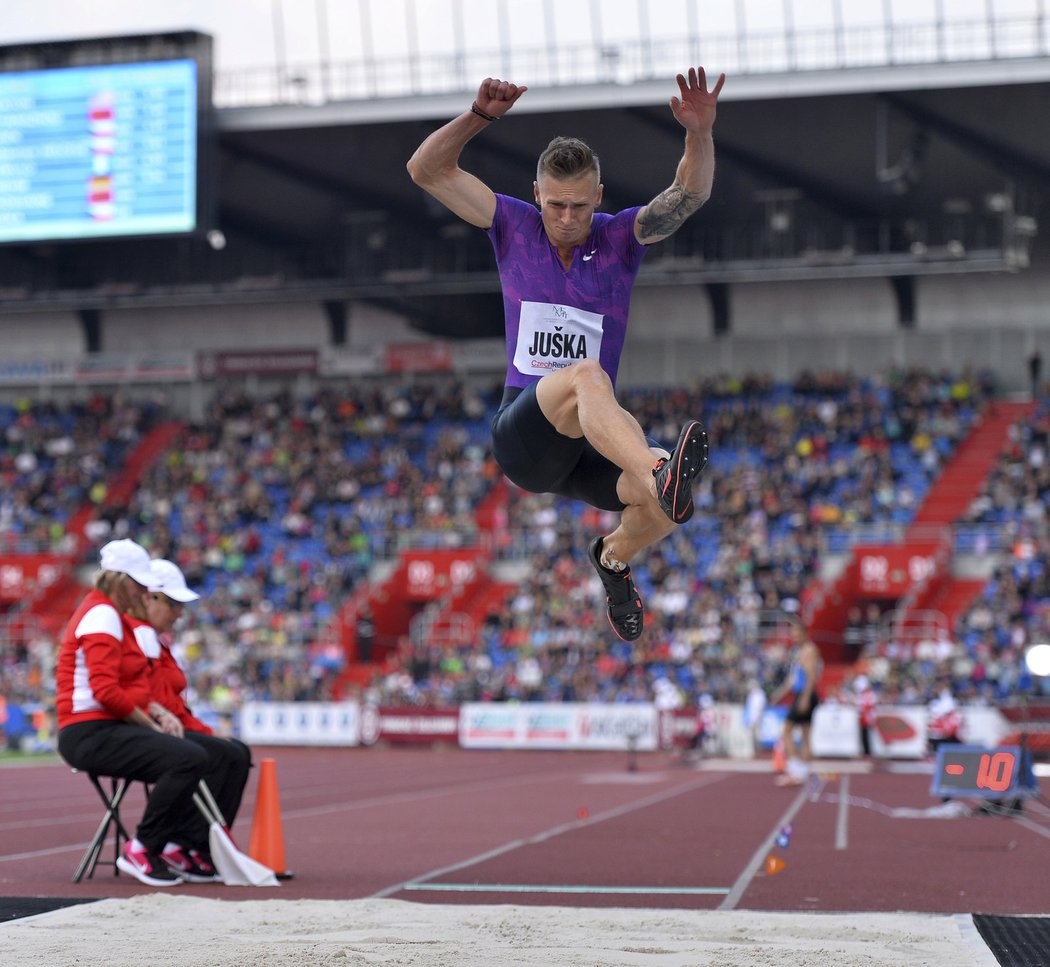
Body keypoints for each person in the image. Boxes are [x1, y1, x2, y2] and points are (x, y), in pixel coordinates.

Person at [407, 67, 725, 641]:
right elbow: (425, 170)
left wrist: (698, 135)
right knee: (587, 378)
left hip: (588, 442)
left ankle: (612, 559)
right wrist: (478, 118)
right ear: (537, 196)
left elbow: (691, 194)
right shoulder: (511, 223)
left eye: (580, 206)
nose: (567, 219)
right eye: (556, 205)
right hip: (524, 434)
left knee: (666, 508)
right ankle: (657, 469)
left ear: (598, 197)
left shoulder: (623, 237)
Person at [55, 539, 211, 887]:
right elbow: (107, 692)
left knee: (192, 754)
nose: (144, 592)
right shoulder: (102, 615)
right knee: (187, 758)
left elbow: (124, 687)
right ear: (120, 580)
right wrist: (151, 726)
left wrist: (156, 712)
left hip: (98, 728)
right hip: (87, 733)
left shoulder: (109, 615)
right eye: (139, 583)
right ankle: (144, 847)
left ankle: (165, 845)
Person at [127, 558, 253, 878]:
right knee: (214, 753)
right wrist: (198, 733)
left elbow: (174, 706)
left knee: (236, 752)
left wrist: (205, 730)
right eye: (173, 604)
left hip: (169, 724)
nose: (179, 613)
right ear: (150, 597)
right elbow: (149, 699)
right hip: (144, 728)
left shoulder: (158, 642)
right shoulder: (138, 636)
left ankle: (194, 844)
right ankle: (172, 842)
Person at [769, 622, 823, 786]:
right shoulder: (799, 651)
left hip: (805, 694)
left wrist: (805, 698)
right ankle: (803, 773)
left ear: (805, 634)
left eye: (797, 634)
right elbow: (793, 679)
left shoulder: (808, 650)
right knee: (806, 735)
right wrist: (779, 694)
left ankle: (795, 772)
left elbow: (811, 675)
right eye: (793, 634)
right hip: (804, 694)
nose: (794, 637)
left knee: (786, 731)